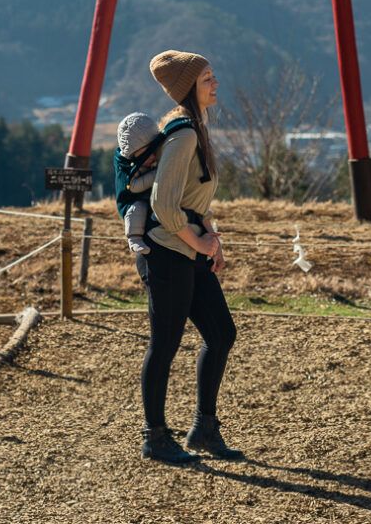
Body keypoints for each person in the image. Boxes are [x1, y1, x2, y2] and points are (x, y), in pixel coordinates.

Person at [136, 49, 242, 465]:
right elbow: (164, 204)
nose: (215, 84)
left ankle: (203, 428)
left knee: (221, 334)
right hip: (167, 251)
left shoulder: (198, 127)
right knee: (164, 343)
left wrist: (212, 238)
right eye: (207, 79)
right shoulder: (183, 135)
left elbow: (192, 197)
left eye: (213, 76)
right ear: (187, 89)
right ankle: (155, 437)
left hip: (189, 246)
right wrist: (198, 244)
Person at [115, 112, 160, 255]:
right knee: (137, 208)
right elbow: (133, 186)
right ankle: (134, 238)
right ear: (134, 155)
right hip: (133, 198)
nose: (152, 156)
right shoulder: (129, 168)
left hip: (150, 195)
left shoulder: (149, 159)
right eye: (147, 153)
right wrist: (156, 174)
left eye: (154, 151)